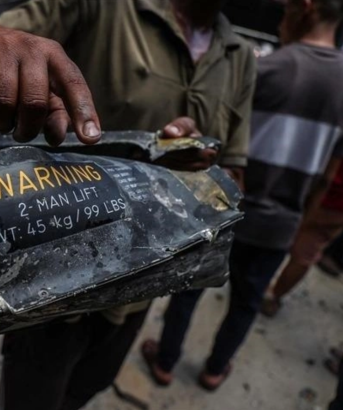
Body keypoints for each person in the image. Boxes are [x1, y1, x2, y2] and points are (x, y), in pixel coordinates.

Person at [0, 0, 256, 408]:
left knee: (90, 385)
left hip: (145, 283)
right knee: (30, 396)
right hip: (54, 288)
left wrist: (196, 161)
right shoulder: (105, 7)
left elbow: (234, 176)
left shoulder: (240, 56)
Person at [142, 0, 343, 391]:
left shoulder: (267, 68)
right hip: (283, 221)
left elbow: (223, 141)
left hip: (231, 208)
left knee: (191, 288)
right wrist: (302, 220)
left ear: (306, 9)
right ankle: (215, 370)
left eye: (285, 10)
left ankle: (165, 360)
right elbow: (327, 174)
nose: (280, 20)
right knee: (247, 303)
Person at [261, 162, 343, 317]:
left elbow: (327, 176)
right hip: (335, 205)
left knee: (277, 233)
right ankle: (273, 297)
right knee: (306, 253)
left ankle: (258, 286)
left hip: (309, 184)